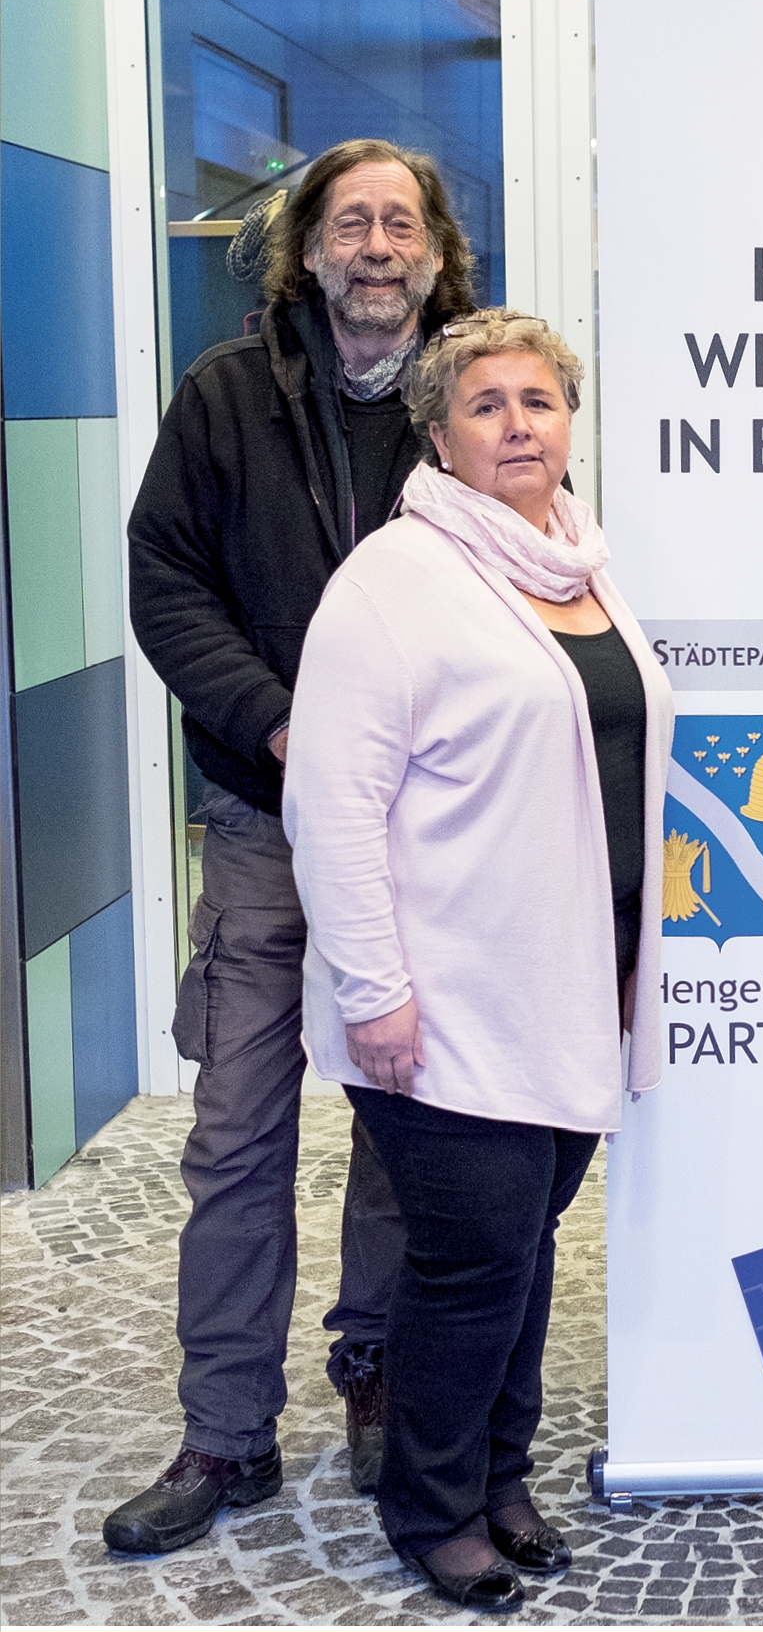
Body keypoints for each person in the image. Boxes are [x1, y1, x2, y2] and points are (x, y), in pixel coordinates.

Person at [106, 139, 475, 1557]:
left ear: (435, 251)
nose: (377, 245)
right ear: (308, 250)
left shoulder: (469, 397)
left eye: (401, 223)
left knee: (405, 1118)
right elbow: (166, 580)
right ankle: (224, 1431)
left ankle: (377, 1373)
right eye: (350, 223)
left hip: (423, 829)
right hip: (265, 818)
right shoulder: (224, 396)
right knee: (238, 1132)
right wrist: (278, 724)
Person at [284, 310, 672, 1612]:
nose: (518, 425)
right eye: (487, 404)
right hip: (442, 1003)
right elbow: (331, 806)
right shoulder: (393, 583)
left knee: (520, 1250)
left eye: (539, 401)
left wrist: (635, 955)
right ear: (440, 437)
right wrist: (374, 991)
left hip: (573, 986)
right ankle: (434, 1508)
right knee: (471, 1259)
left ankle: (501, 1480)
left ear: (570, 424)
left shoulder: (580, 564)